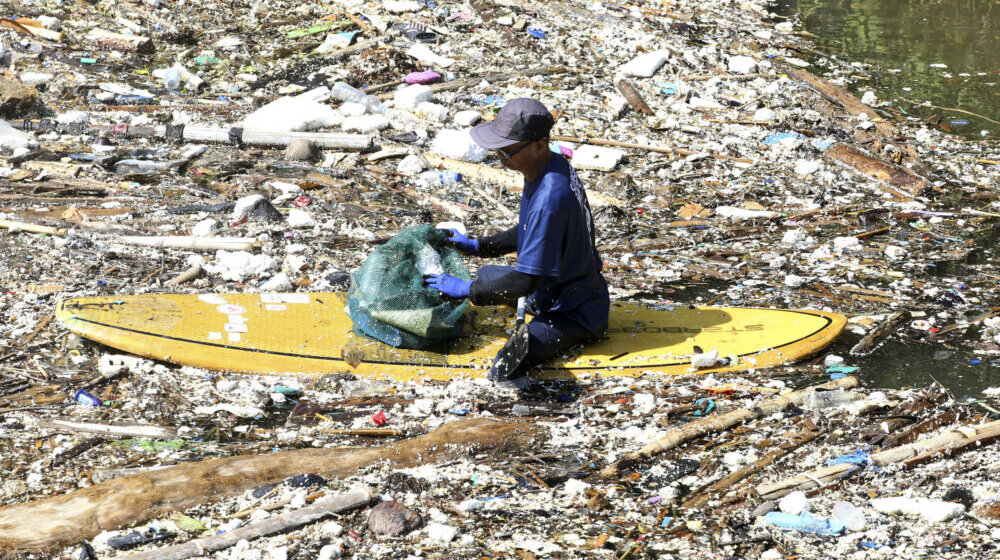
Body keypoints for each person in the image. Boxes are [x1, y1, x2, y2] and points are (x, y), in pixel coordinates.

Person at [424, 98, 610, 388]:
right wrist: (478, 246)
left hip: (575, 307)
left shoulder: (550, 196)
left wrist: (467, 290)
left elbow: (525, 281)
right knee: (487, 276)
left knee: (507, 362)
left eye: (508, 150)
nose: (500, 156)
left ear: (539, 144)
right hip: (550, 289)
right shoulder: (550, 164)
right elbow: (528, 229)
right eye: (498, 149)